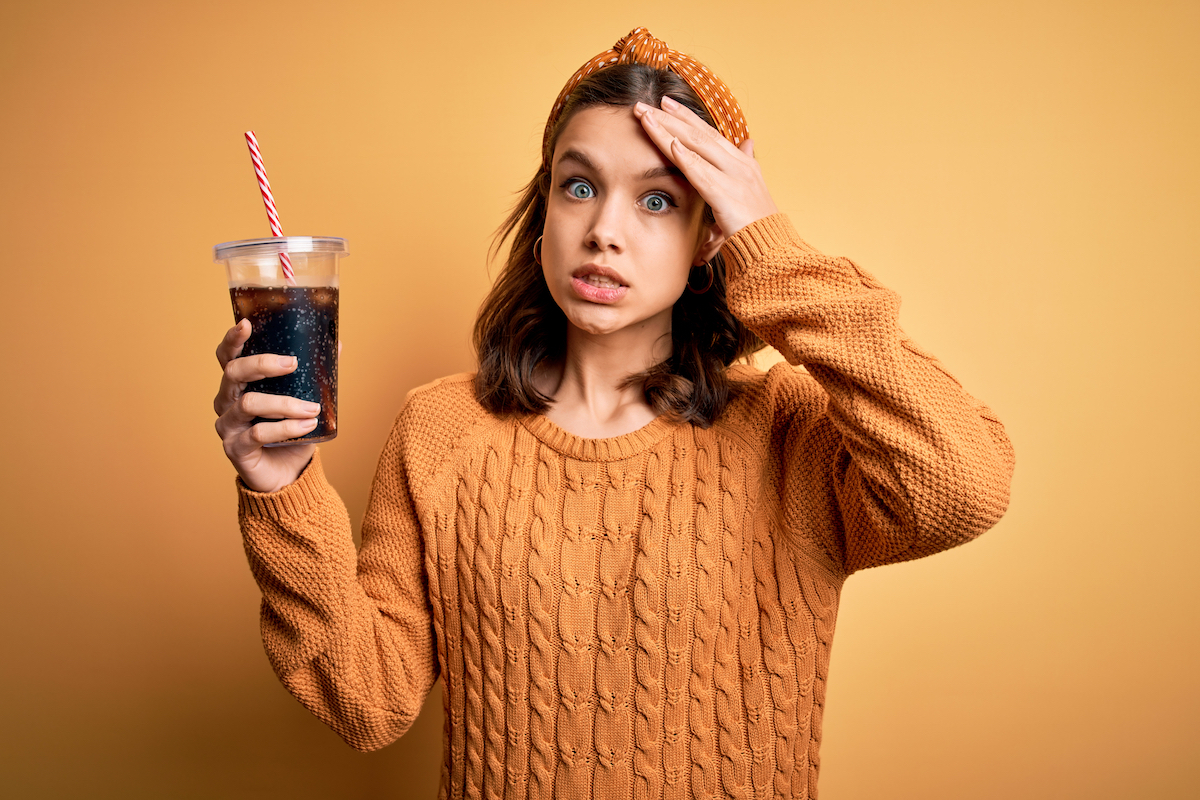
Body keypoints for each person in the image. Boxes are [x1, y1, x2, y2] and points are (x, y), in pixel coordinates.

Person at [213, 27, 1014, 800]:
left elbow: (964, 483)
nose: (604, 232)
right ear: (546, 213)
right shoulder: (442, 429)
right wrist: (282, 489)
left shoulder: (790, 431)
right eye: (580, 186)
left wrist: (767, 241)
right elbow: (366, 702)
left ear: (711, 239)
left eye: (659, 201)